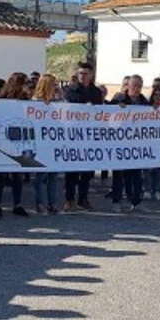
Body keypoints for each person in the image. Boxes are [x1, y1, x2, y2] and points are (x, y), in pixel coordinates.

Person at [63, 62, 103, 211]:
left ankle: (83, 198)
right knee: (72, 170)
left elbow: (100, 110)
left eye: (85, 73)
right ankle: (69, 199)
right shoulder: (70, 90)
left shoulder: (96, 92)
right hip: (74, 134)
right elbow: (67, 109)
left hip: (90, 135)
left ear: (91, 75)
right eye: (80, 73)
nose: (82, 76)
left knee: (87, 171)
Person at [0, 73, 31, 218]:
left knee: (17, 175)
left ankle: (17, 204)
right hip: (3, 140)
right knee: (0, 175)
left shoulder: (26, 100)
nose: (28, 86)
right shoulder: (2, 100)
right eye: (25, 83)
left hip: (19, 141)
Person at [110, 75, 148, 212]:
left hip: (136, 144)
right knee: (118, 175)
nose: (137, 88)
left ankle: (136, 201)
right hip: (120, 143)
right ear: (128, 86)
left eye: (139, 86)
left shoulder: (144, 102)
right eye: (134, 85)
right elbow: (106, 115)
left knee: (136, 175)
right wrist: (116, 108)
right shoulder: (119, 99)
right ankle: (116, 201)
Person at [32, 74, 63, 213]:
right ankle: (39, 202)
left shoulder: (57, 101)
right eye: (53, 84)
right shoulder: (35, 102)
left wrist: (61, 96)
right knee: (40, 175)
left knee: (53, 176)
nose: (55, 86)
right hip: (41, 142)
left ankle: (52, 202)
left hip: (54, 141)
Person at [146, 79, 160, 200]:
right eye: (155, 94)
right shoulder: (145, 108)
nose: (157, 97)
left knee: (159, 168)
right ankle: (147, 189)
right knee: (148, 168)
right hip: (148, 140)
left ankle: (157, 190)